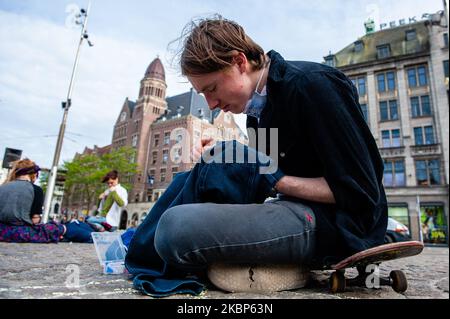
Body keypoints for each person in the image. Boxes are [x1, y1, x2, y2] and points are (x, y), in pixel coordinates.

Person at [125, 16, 387, 296]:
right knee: (199, 174)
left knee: (173, 228)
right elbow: (263, 177)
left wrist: (272, 176)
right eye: (203, 95)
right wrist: (228, 157)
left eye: (212, 88)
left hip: (337, 225)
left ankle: (153, 250)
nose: (212, 104)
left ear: (239, 62)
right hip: (288, 209)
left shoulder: (313, 85)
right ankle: (145, 248)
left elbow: (361, 191)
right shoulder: (256, 115)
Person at [0, 159, 96, 243]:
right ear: (33, 175)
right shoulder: (35, 189)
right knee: (69, 228)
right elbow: (35, 220)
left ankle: (94, 231)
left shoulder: (2, 187)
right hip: (22, 233)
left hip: (2, 232)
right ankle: (96, 237)